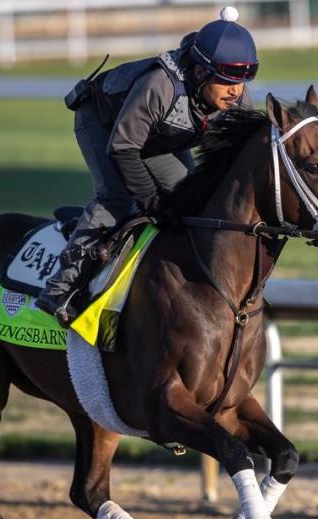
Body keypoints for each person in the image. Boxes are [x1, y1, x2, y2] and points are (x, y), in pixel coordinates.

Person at [37, 6, 259, 325]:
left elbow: (236, 154)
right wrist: (152, 202)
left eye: (241, 82)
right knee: (116, 197)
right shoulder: (161, 84)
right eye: (226, 82)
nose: (235, 92)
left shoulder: (233, 95)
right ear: (199, 73)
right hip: (104, 123)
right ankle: (62, 287)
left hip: (157, 139)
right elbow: (123, 147)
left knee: (190, 202)